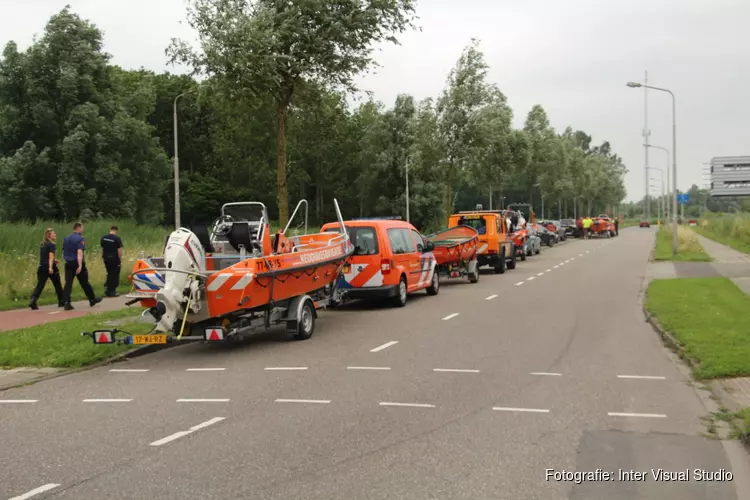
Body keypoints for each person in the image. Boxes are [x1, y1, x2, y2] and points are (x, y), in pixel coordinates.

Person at [62, 222, 102, 310]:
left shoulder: (66, 238)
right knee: (84, 282)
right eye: (82, 227)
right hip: (77, 262)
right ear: (78, 228)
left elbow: (64, 251)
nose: (83, 230)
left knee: (68, 283)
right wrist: (79, 265)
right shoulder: (80, 238)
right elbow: (79, 252)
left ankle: (66, 302)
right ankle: (92, 299)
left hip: (68, 263)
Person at [29, 228, 65, 310]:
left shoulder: (43, 244)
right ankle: (61, 301)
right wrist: (50, 266)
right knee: (57, 284)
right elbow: (50, 256)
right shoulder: (52, 245)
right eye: (53, 233)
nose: (55, 235)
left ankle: (33, 300)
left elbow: (44, 256)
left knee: (40, 285)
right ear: (49, 235)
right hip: (49, 267)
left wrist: (53, 261)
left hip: (41, 266)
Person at [101, 226, 124, 297]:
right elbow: (119, 250)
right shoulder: (117, 238)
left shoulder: (103, 238)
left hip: (106, 259)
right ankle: (112, 291)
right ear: (116, 231)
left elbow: (103, 248)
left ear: (110, 230)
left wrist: (103, 257)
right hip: (114, 259)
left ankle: (107, 289)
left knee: (109, 273)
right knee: (115, 275)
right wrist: (120, 259)